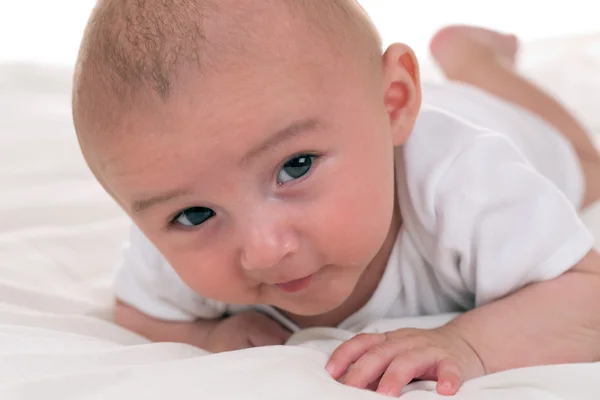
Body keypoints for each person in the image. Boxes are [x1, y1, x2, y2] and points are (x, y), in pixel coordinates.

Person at [72, 0, 600, 397]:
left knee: (588, 166)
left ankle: (473, 58)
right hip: (357, 114)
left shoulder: (470, 181)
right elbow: (139, 313)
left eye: (294, 167)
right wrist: (213, 336)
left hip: (503, 126)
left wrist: (468, 344)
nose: (264, 250)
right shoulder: (180, 226)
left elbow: (587, 295)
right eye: (196, 214)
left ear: (394, 104)